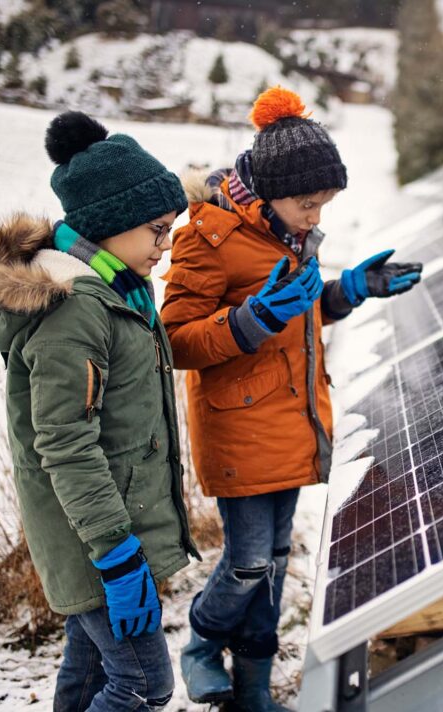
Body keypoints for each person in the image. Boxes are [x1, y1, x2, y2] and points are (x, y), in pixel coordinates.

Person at [161, 86, 422, 710]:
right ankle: (200, 641)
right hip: (240, 428)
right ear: (271, 191)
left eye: (323, 206)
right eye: (309, 204)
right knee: (249, 562)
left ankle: (252, 691)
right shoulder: (209, 238)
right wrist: (248, 321)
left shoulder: (288, 235)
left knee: (275, 566)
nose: (317, 218)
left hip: (292, 422)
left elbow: (296, 318)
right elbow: (174, 341)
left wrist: (348, 291)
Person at [0, 111, 198, 711]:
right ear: (112, 224)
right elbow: (66, 443)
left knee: (88, 668)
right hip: (96, 540)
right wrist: (117, 557)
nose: (166, 244)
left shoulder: (120, 292)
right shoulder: (76, 312)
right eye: (157, 229)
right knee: (144, 686)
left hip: (101, 530)